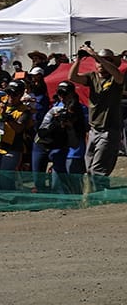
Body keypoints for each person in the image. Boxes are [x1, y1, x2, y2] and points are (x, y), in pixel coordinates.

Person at [68, 47, 125, 190]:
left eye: (107, 61)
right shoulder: (92, 77)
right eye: (98, 61)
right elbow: (72, 77)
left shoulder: (116, 77)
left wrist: (96, 56)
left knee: (98, 169)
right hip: (94, 129)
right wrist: (79, 59)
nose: (100, 64)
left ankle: (98, 198)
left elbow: (117, 75)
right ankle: (98, 193)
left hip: (109, 129)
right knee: (89, 168)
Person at [33, 80, 89, 194]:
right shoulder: (55, 108)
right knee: (57, 184)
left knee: (74, 183)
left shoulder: (82, 109)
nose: (62, 97)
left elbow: (86, 129)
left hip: (74, 151)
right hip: (58, 149)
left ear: (72, 93)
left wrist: (72, 122)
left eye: (65, 94)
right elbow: (42, 130)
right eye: (60, 94)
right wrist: (55, 122)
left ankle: (78, 205)